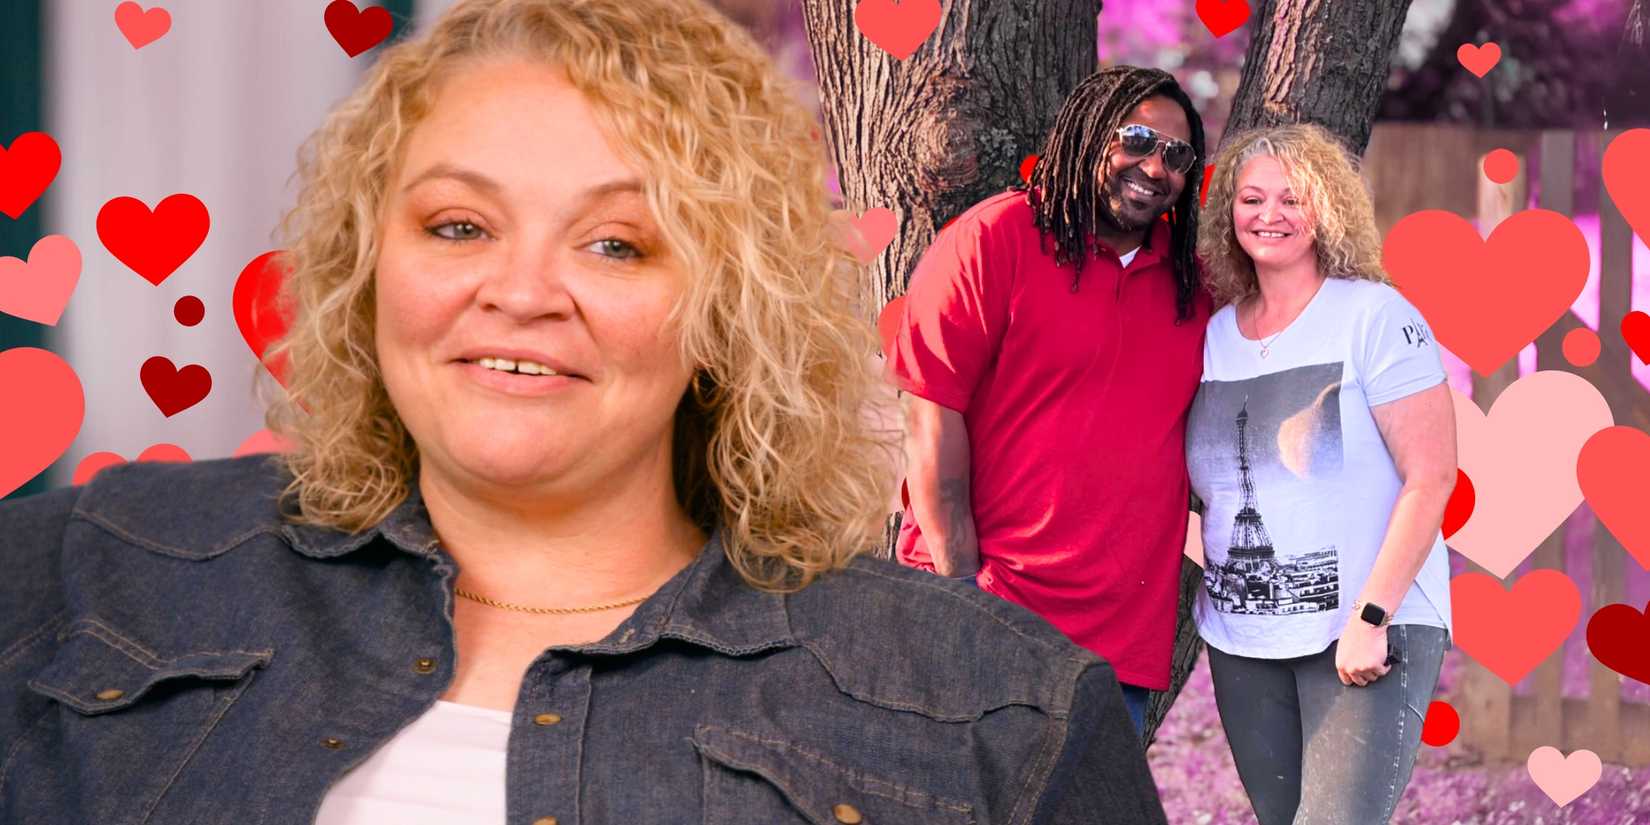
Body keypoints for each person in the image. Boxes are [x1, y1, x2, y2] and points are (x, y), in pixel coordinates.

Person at [0, 2, 1173, 823]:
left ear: (730, 310)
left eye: (617, 243)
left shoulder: (1000, 714)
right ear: (367, 266)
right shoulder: (80, 568)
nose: (519, 291)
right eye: (458, 225)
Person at [886, 66, 1213, 736]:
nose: (1155, 167)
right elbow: (929, 422)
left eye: (1176, 156)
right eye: (1138, 139)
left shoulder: (1193, 287)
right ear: (1092, 135)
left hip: (1117, 647)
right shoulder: (993, 240)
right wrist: (963, 598)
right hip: (988, 607)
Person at [1188, 122, 1456, 824]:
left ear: (1326, 208)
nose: (1269, 214)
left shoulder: (1373, 315)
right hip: (1243, 638)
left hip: (1365, 628)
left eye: (1292, 198)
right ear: (1228, 213)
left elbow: (1431, 476)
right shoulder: (1215, 337)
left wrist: (1372, 616)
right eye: (1251, 198)